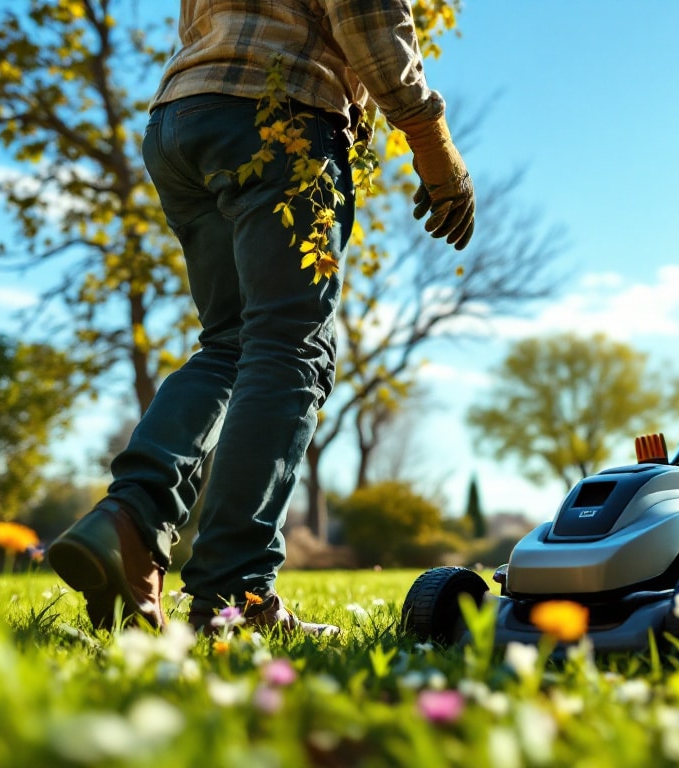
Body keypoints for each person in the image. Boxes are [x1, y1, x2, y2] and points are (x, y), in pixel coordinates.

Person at [47, 1, 474, 635]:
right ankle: (234, 592)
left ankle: (131, 520)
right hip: (278, 118)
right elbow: (365, 12)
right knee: (286, 349)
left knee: (232, 344)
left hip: (181, 118)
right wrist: (430, 140)